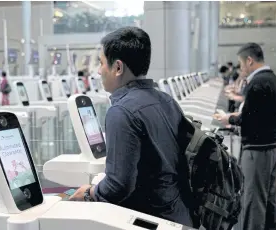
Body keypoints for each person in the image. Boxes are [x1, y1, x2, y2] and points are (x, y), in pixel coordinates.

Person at [69, 27, 194, 227]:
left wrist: (88, 192)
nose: (99, 71)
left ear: (118, 67)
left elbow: (118, 187)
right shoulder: (166, 100)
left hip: (151, 217)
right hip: (179, 213)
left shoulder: (121, 111)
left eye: (101, 63)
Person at [214, 42, 276, 230]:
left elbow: (249, 118)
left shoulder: (257, 83)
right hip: (273, 148)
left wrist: (228, 119)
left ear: (249, 60)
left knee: (253, 200)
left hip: (256, 151)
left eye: (241, 63)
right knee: (269, 198)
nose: (241, 68)